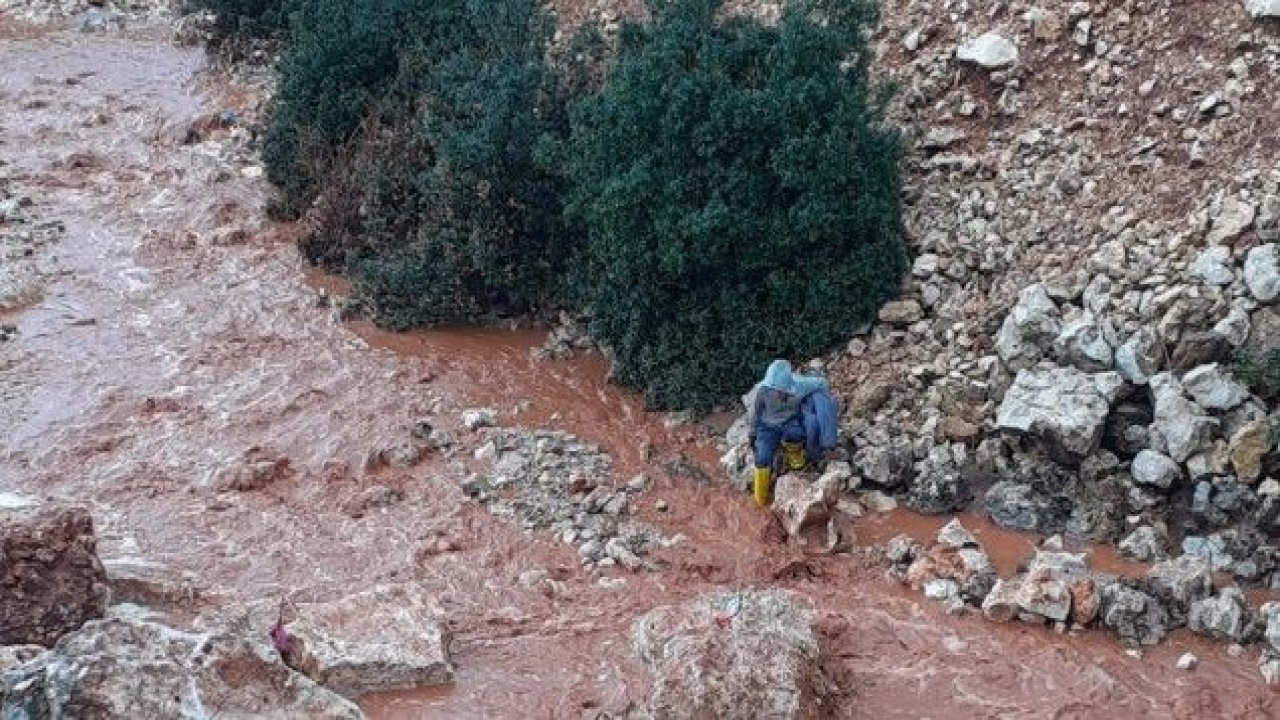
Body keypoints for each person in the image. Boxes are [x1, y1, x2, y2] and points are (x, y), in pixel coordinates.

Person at [743, 359, 840, 507]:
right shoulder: (763, 390)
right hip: (767, 427)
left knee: (798, 433)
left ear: (788, 386)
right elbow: (756, 413)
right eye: (773, 389)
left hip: (789, 422)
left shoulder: (800, 385)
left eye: (779, 390)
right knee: (762, 458)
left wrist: (818, 403)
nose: (775, 392)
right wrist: (752, 433)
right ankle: (760, 499)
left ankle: (794, 456)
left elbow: (821, 383)